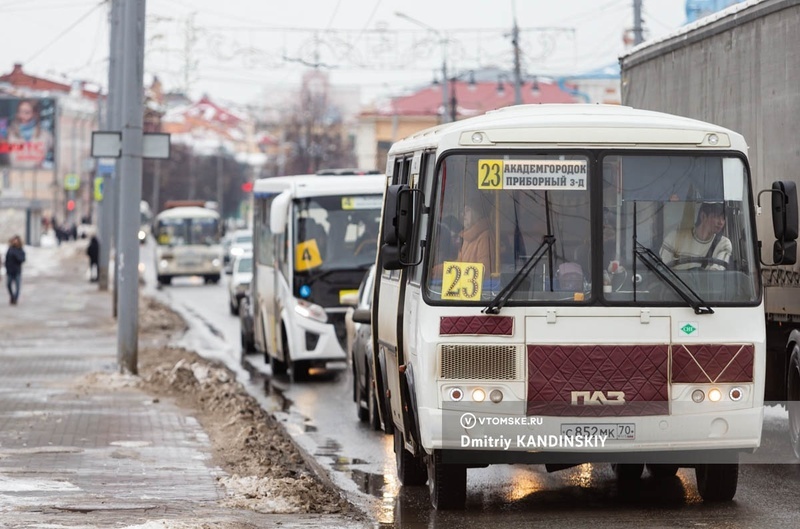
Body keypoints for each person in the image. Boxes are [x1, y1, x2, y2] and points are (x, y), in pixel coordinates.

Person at [660, 202, 732, 270]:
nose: (721, 222)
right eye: (716, 217)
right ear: (703, 216)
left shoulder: (723, 244)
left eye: (723, 218)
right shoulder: (674, 238)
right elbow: (661, 269)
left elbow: (716, 274)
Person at [6, 99, 54, 169]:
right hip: (14, 175)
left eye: (27, 112)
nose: (22, 116)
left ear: (35, 114)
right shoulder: (8, 133)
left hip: (38, 176)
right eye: (20, 112)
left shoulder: (46, 135)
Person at [5, 235, 26, 305]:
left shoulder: (20, 250)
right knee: (8, 284)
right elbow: (7, 260)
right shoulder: (10, 249)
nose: (15, 242)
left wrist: (16, 256)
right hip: (10, 271)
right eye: (14, 240)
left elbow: (22, 259)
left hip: (17, 271)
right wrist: (6, 268)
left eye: (16, 240)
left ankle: (15, 299)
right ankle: (12, 296)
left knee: (17, 287)